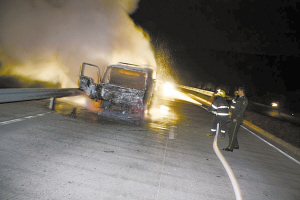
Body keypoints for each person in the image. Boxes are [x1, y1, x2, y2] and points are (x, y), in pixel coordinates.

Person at [223, 86, 248, 152]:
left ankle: (230, 147)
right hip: (234, 117)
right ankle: (236, 145)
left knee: (232, 132)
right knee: (232, 132)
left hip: (237, 119)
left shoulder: (244, 100)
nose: (238, 92)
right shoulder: (239, 98)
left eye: (239, 91)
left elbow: (242, 110)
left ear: (241, 92)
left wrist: (236, 118)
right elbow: (234, 107)